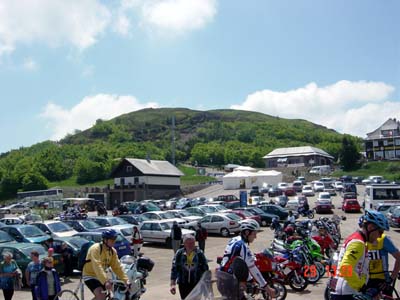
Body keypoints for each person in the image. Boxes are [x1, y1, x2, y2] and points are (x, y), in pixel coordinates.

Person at [330, 210, 389, 300]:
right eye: (380, 232)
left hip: (348, 291)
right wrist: (363, 288)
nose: (380, 236)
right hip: (346, 293)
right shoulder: (357, 243)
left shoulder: (359, 241)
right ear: (370, 227)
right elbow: (345, 268)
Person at [220, 223, 275, 298]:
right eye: (254, 234)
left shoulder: (235, 239)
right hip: (231, 282)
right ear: (247, 233)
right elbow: (252, 267)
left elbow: (242, 266)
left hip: (223, 278)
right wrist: (267, 288)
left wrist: (251, 281)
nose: (255, 237)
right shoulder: (242, 246)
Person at [82, 229, 129, 300]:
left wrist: (125, 280)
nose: (114, 241)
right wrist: (106, 281)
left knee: (115, 292)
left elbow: (117, 267)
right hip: (90, 275)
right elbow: (97, 266)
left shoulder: (112, 251)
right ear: (105, 240)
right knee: (101, 296)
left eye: (115, 239)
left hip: (101, 276)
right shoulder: (95, 249)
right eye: (112, 239)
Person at [366, 221, 400, 297]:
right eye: (380, 231)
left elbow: (399, 257)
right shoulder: (361, 240)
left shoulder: (383, 239)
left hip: (382, 281)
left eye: (382, 231)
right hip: (365, 280)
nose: (381, 234)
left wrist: (391, 278)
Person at [170, 235, 209, 299]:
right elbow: (174, 269)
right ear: (184, 243)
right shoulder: (179, 253)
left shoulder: (199, 253)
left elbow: (205, 269)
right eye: (188, 243)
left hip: (197, 283)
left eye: (192, 243)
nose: (191, 245)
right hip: (183, 284)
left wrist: (206, 284)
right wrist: (172, 284)